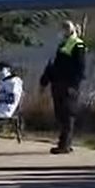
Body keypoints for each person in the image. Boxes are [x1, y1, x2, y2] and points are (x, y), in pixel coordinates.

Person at [39, 20, 87, 155]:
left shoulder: (78, 45)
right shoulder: (63, 45)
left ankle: (64, 144)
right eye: (62, 28)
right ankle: (64, 142)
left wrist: (73, 85)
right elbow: (53, 66)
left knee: (67, 114)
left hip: (68, 85)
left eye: (66, 28)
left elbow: (80, 68)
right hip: (58, 84)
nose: (63, 31)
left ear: (71, 30)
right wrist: (44, 81)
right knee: (60, 114)